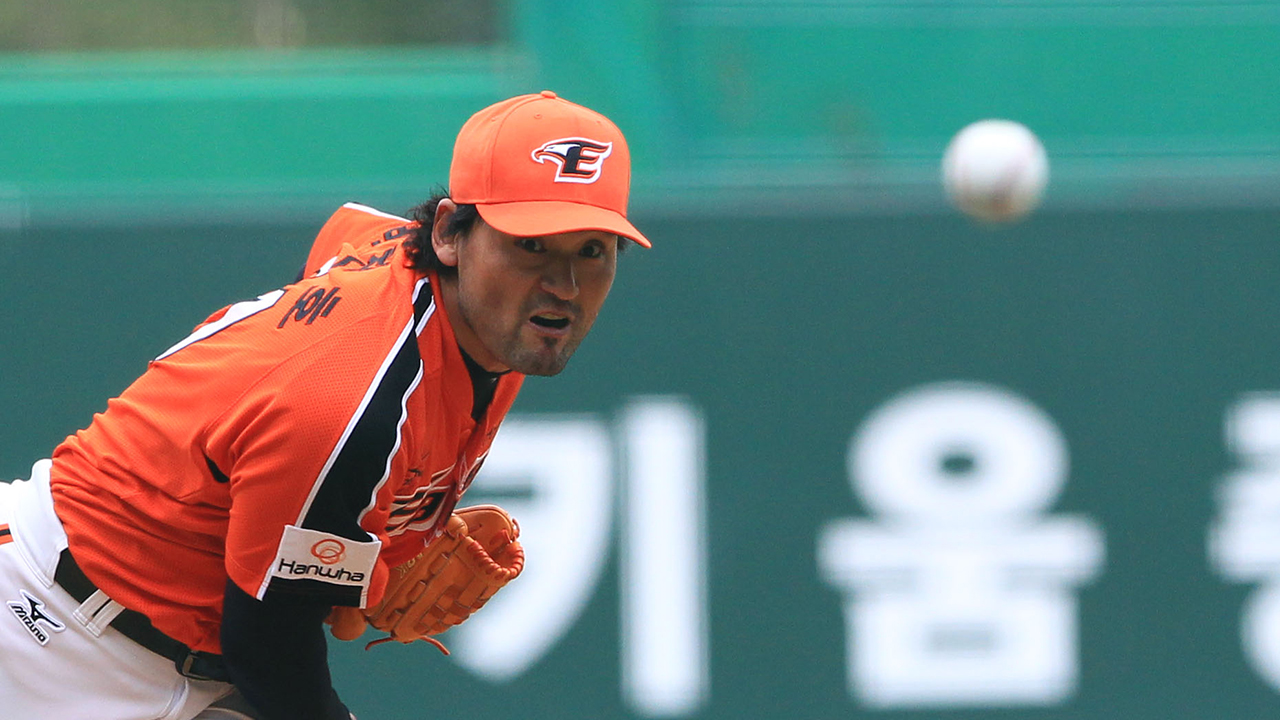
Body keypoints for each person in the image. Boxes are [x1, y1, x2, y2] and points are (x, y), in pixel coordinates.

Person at [0, 90, 650, 720]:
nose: (564, 285)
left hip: (172, 652)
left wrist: (355, 522)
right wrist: (330, 485)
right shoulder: (355, 409)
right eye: (530, 245)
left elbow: (349, 232)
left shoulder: (473, 315)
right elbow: (269, 649)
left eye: (591, 250)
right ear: (450, 234)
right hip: (41, 625)